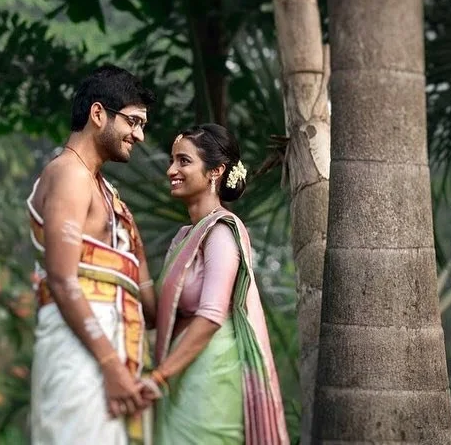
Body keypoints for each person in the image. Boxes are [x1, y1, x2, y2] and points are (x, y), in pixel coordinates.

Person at [27, 65, 158, 444]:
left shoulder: (106, 192)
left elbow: (147, 302)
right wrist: (110, 365)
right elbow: (63, 279)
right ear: (98, 114)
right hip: (79, 355)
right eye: (133, 121)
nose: (140, 135)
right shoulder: (69, 173)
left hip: (113, 355)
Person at [141, 123, 289, 445]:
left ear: (216, 171)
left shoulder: (222, 231)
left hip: (210, 377)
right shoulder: (183, 237)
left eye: (183, 161)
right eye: (172, 160)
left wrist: (159, 377)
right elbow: (157, 315)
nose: (171, 170)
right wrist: (136, 260)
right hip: (179, 373)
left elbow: (210, 316)